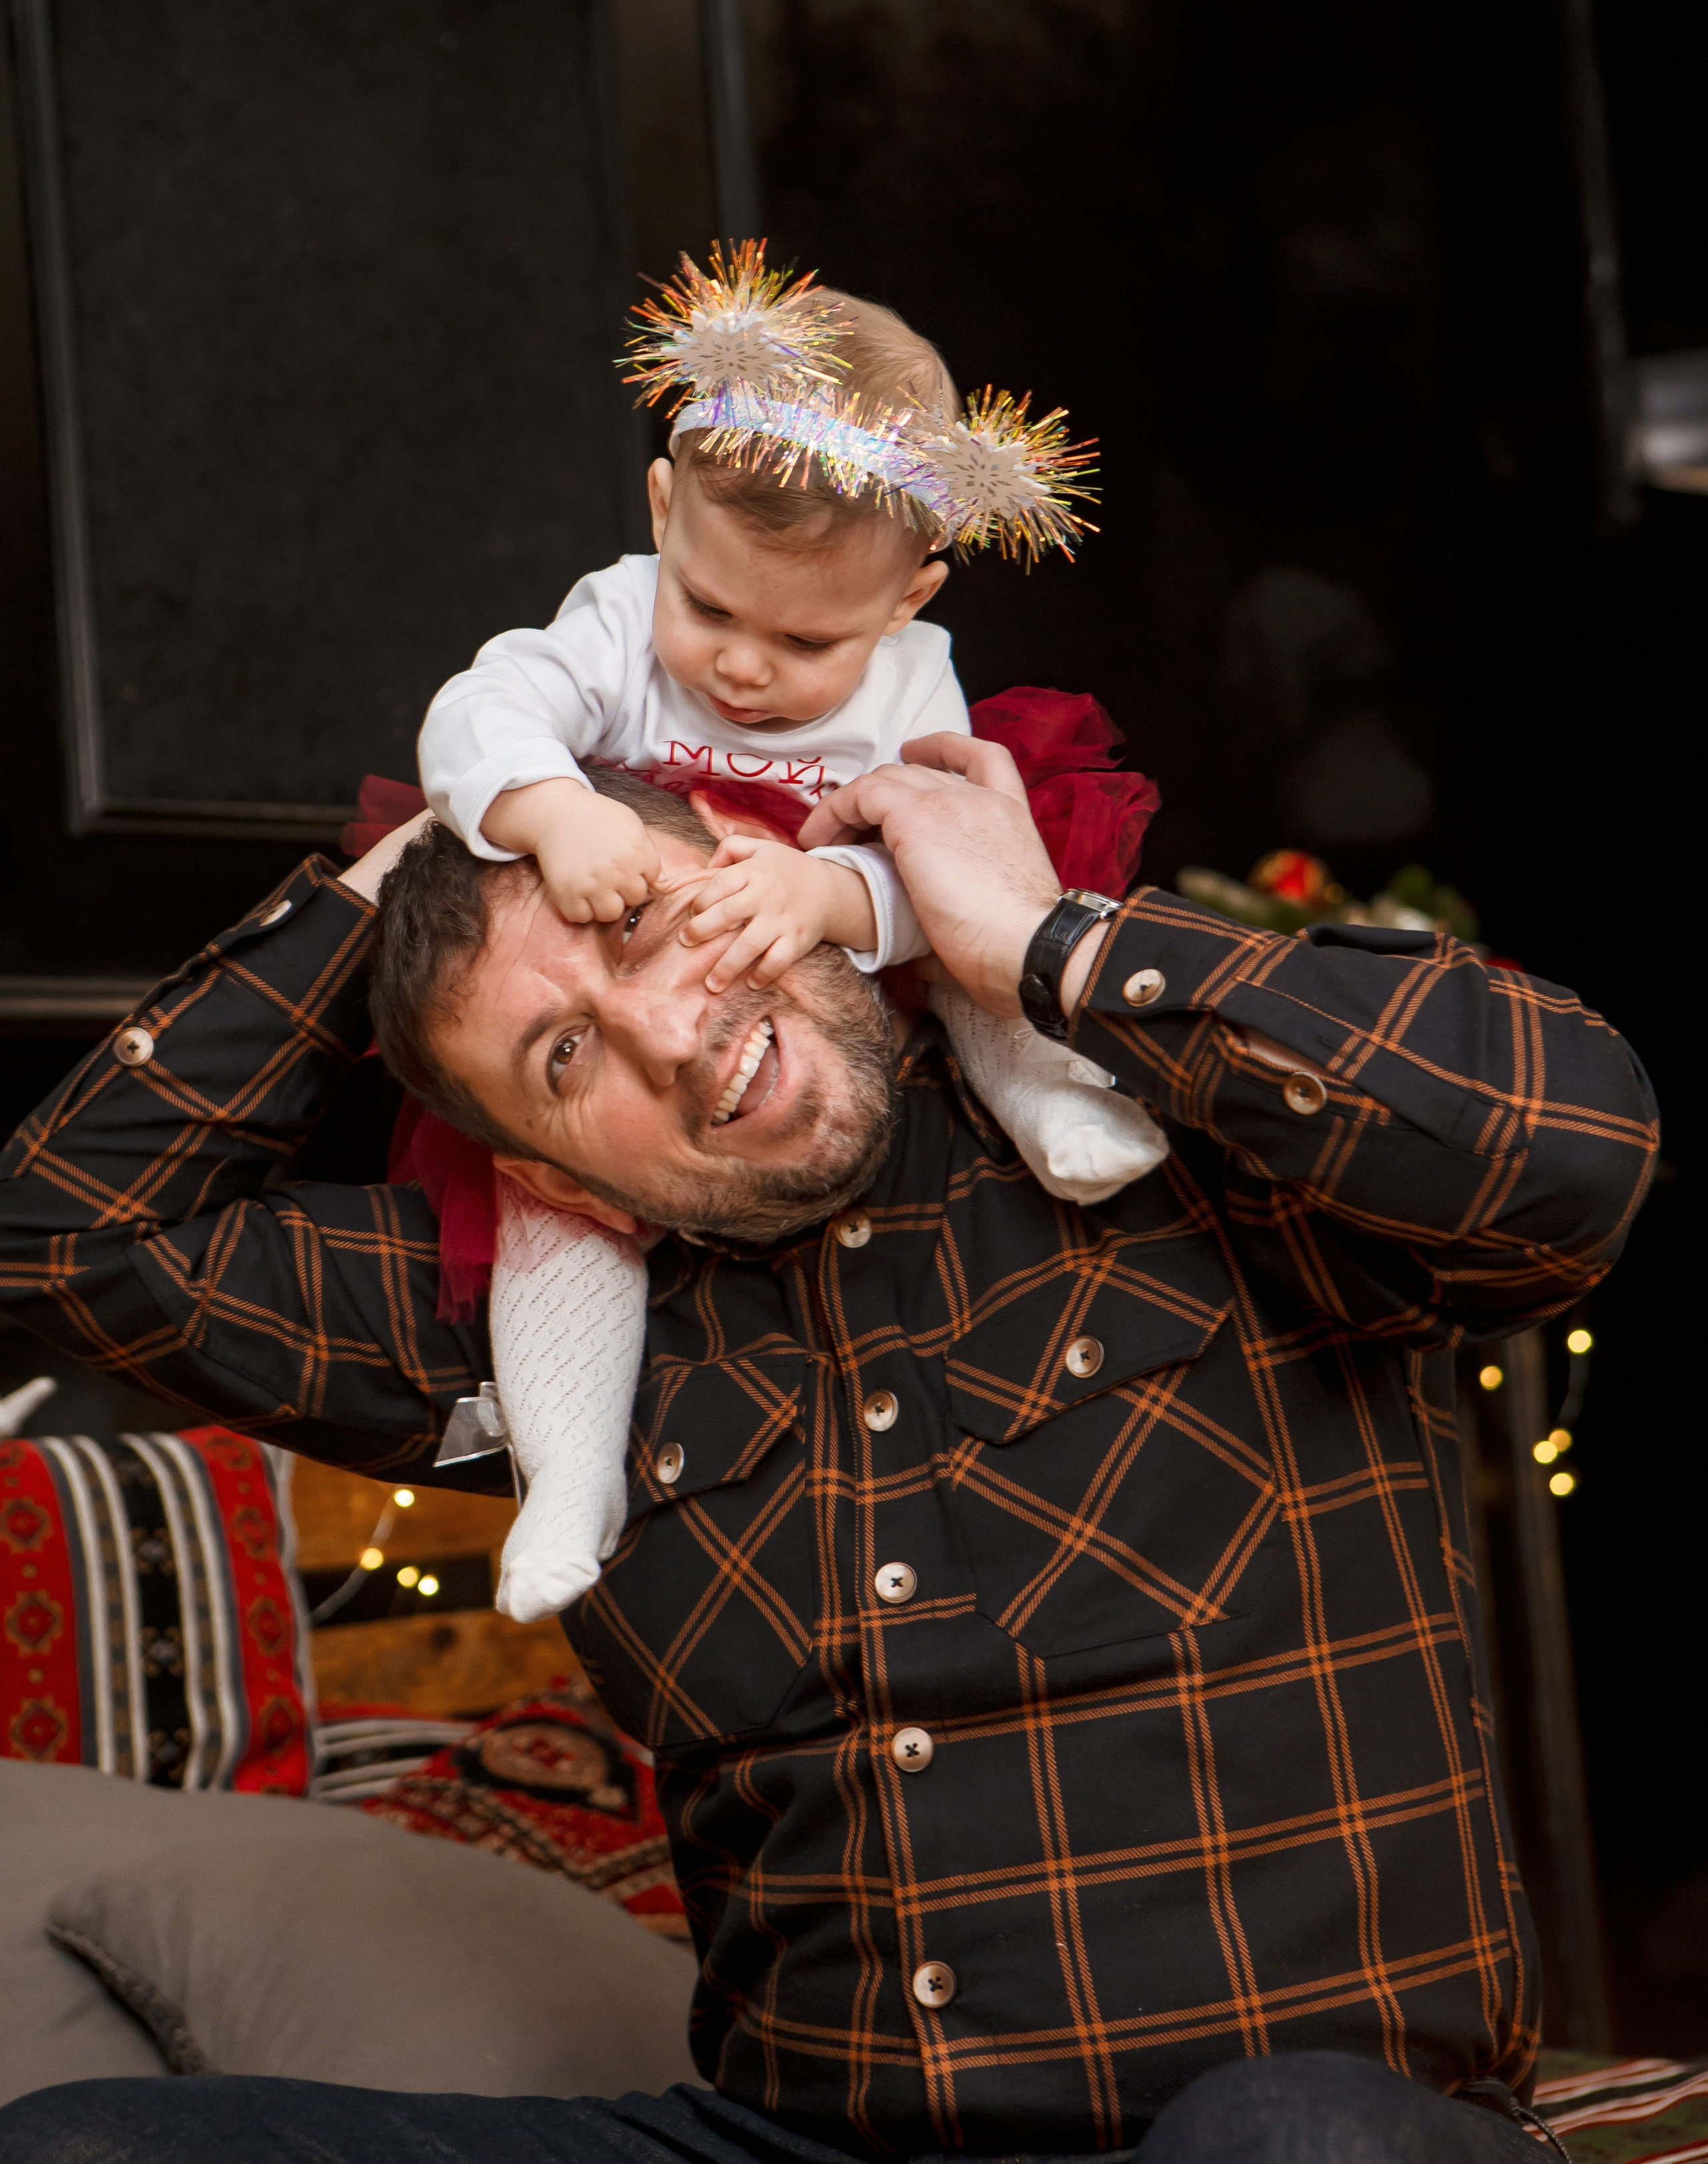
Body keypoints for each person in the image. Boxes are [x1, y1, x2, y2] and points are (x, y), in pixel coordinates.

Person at [0, 737, 1655, 2162]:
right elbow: (65, 1237)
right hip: (804, 2143)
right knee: (85, 2143)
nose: (665, 1035)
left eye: (640, 921)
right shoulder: (535, 1337)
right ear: (553, 1178)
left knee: (1278, 2143)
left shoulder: (1161, 1135)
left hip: (1305, 2122)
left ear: (756, 863)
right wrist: (443, 826)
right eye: (564, 1058)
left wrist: (1035, 940)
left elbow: (1570, 1141)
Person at [414, 244, 1161, 1621]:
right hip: (649, 946)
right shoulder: (612, 618)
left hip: (842, 943)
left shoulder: (912, 678)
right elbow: (477, 710)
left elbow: (929, 860)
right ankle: (567, 1476)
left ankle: (1054, 1108)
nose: (743, 670)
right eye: (706, 609)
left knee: (992, 938)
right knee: (556, 1199)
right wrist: (553, 815)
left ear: (906, 599)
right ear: (660, 508)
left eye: (805, 646)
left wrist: (828, 898)